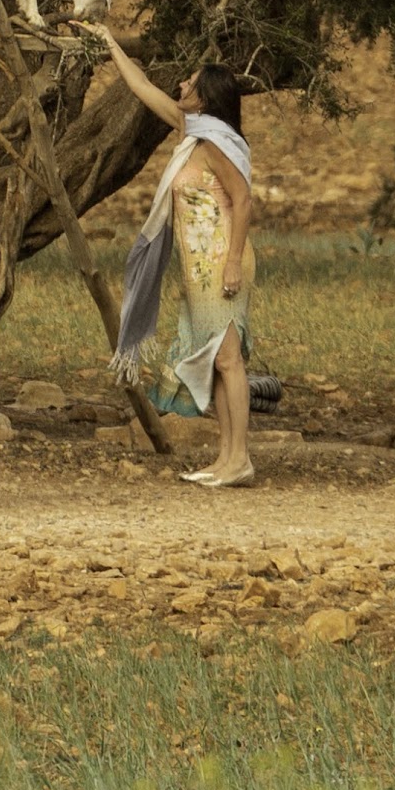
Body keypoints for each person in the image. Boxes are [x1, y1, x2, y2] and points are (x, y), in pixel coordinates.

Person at [91, 26, 258, 489]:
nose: (180, 86)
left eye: (189, 82)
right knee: (217, 361)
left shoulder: (214, 143)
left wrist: (231, 262)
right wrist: (109, 43)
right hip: (199, 266)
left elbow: (242, 201)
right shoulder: (192, 131)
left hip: (221, 261)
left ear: (205, 97)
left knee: (228, 359)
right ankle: (226, 458)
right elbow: (142, 89)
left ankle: (239, 458)